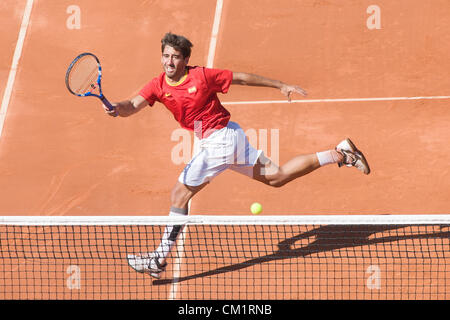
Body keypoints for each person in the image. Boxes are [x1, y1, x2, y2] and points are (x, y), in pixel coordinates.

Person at [103, 32, 370, 279]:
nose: (169, 61)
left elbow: (241, 77)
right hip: (225, 137)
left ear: (185, 60)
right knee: (277, 177)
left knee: (179, 194)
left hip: (220, 140)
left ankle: (158, 260)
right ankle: (340, 153)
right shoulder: (157, 85)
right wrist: (116, 108)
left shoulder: (202, 77)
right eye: (165, 55)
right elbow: (132, 105)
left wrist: (280, 85)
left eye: (175, 56)